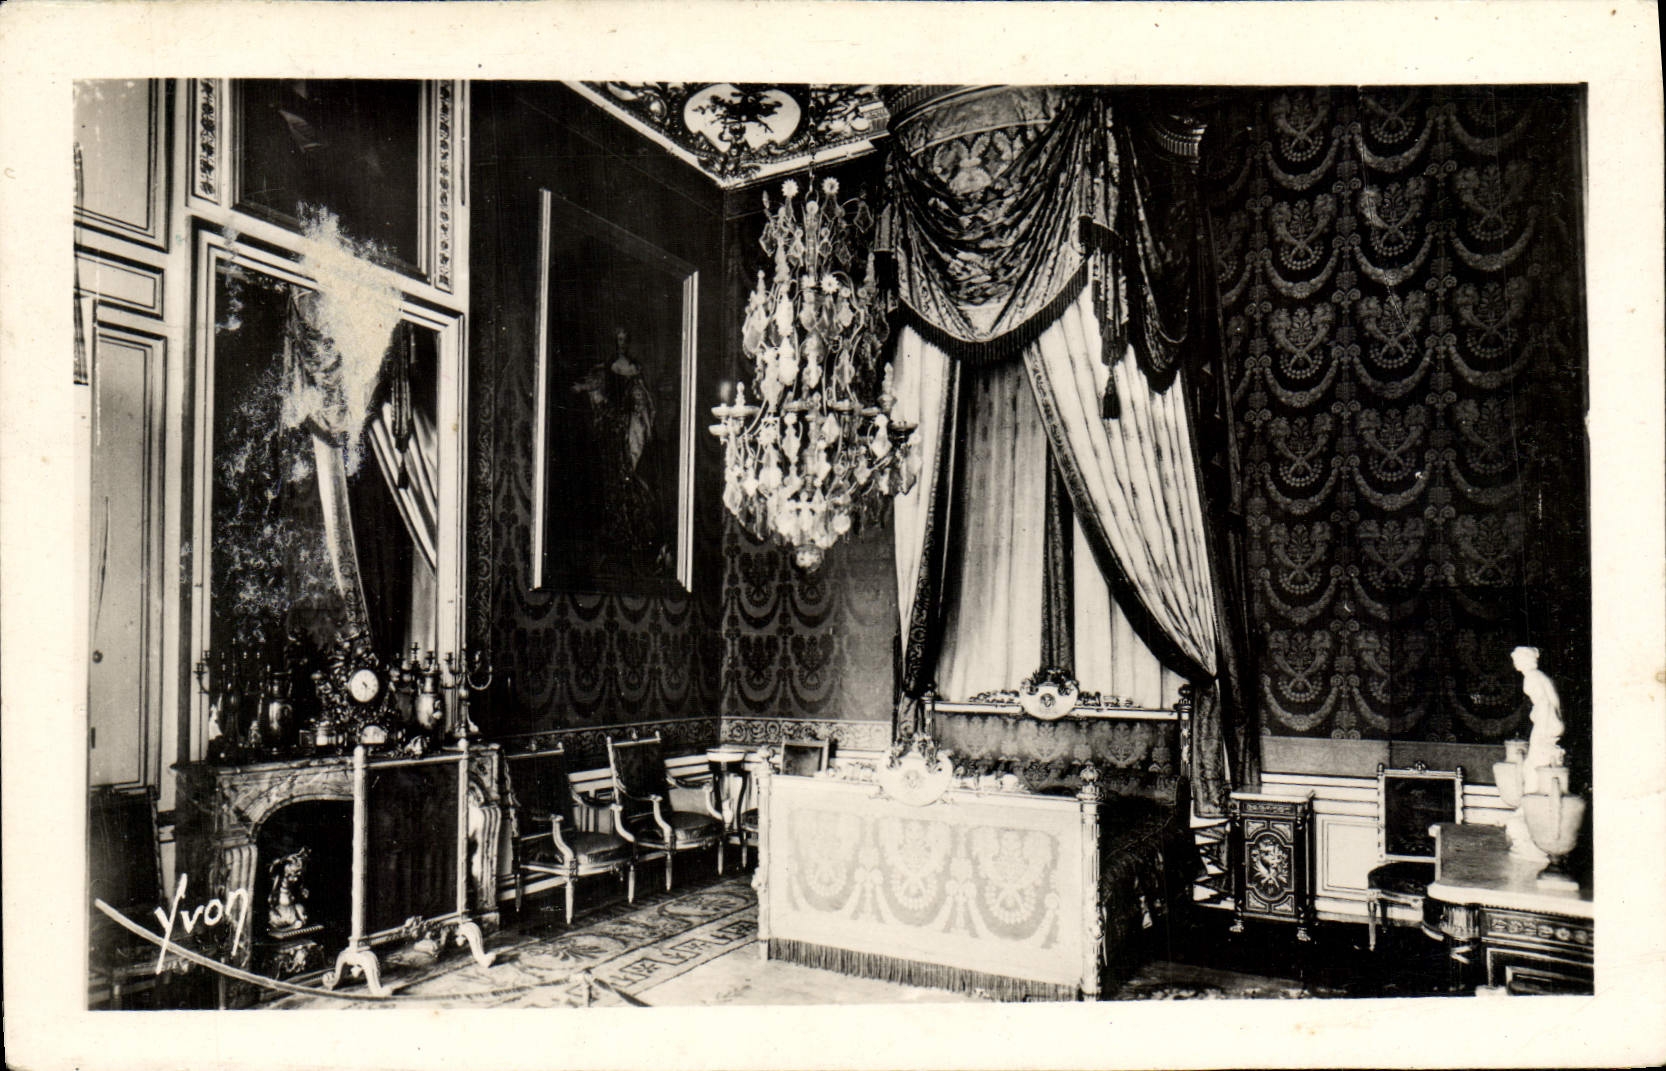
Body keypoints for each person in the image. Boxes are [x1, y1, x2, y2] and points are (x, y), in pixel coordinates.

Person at [1513, 645, 1564, 793]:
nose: (1515, 662)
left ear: (1525, 659)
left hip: (1546, 723)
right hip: (1549, 722)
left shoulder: (1531, 677)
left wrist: (1539, 724)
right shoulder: (1538, 675)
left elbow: (1545, 703)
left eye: (1517, 659)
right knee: (1536, 762)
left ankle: (1532, 799)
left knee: (1533, 764)